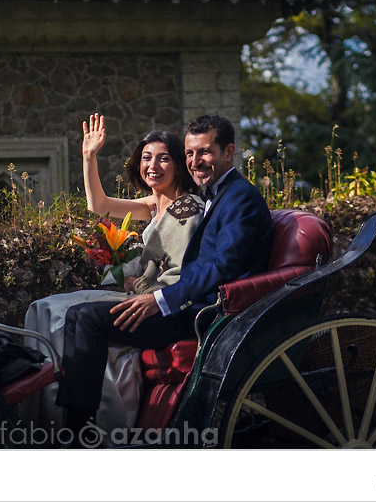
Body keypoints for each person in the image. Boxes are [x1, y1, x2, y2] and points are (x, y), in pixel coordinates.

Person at [55, 114, 274, 437]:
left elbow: (224, 266)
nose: (196, 161)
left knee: (87, 318)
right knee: (76, 314)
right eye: (190, 153)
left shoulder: (240, 197)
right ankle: (75, 426)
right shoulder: (215, 193)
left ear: (229, 152)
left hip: (204, 316)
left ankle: (78, 435)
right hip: (185, 303)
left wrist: (160, 299)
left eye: (205, 152)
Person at [21, 113, 204, 433]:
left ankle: (77, 424)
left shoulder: (186, 207)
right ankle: (47, 412)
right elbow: (99, 206)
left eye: (164, 159)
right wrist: (88, 156)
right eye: (147, 158)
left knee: (70, 314)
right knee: (45, 307)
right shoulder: (153, 204)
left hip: (163, 304)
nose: (153, 166)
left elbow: (175, 275)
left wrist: (135, 280)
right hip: (140, 293)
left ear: (178, 165)